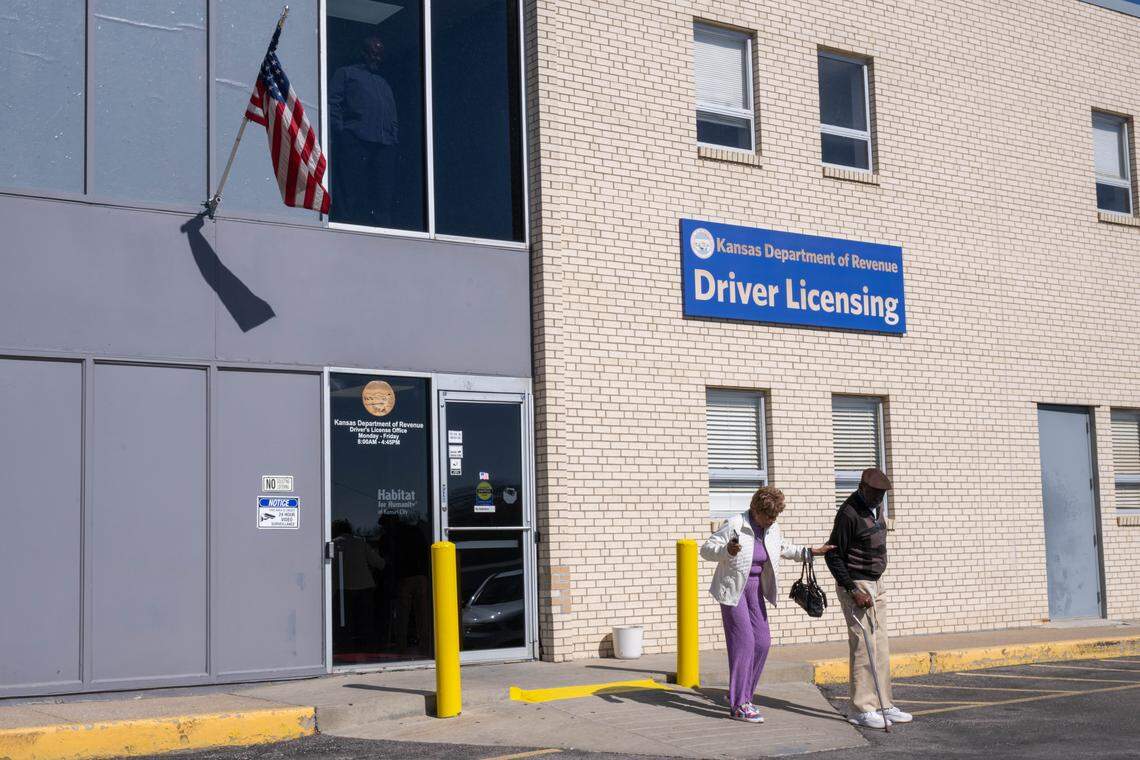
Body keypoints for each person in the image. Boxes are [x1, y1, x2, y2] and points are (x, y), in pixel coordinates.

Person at [701, 486, 834, 723]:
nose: (772, 520)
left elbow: (782, 548)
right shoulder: (735, 524)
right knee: (744, 643)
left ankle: (743, 695)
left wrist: (811, 551)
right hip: (733, 589)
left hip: (756, 589)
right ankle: (739, 704)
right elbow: (706, 550)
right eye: (768, 515)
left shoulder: (772, 528)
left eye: (775, 516)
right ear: (756, 510)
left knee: (762, 642)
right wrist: (726, 550)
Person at [824, 467, 913, 729]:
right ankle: (861, 708)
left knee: (880, 647)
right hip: (857, 585)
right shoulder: (849, 513)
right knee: (864, 648)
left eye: (882, 496)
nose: (878, 500)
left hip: (877, 583)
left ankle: (885, 704)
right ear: (862, 488)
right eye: (875, 494)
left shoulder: (876, 509)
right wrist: (852, 590)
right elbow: (833, 555)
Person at [328, 28, 399, 227]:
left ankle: (382, 229)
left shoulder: (383, 82)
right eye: (373, 53)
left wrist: (393, 135)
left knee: (382, 191)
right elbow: (332, 102)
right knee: (350, 187)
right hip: (355, 139)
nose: (377, 58)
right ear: (363, 53)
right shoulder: (346, 73)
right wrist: (340, 130)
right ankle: (346, 226)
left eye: (380, 54)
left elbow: (393, 113)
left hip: (384, 144)